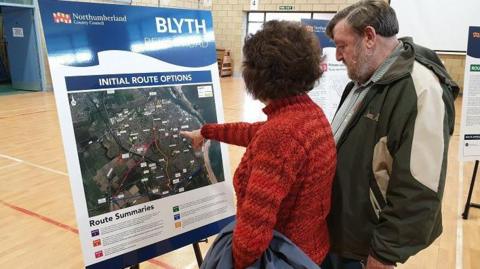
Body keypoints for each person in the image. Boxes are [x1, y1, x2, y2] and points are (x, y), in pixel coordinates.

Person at [181, 20, 336, 268]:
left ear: (259, 74)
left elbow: (250, 242)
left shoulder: (281, 135)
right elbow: (254, 132)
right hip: (311, 253)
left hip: (283, 258)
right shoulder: (309, 115)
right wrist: (206, 132)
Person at [322, 1, 459, 269]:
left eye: (342, 45)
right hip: (340, 232)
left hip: (366, 247)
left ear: (370, 37)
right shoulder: (364, 79)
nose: (337, 55)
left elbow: (420, 188)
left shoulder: (420, 89)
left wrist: (385, 253)